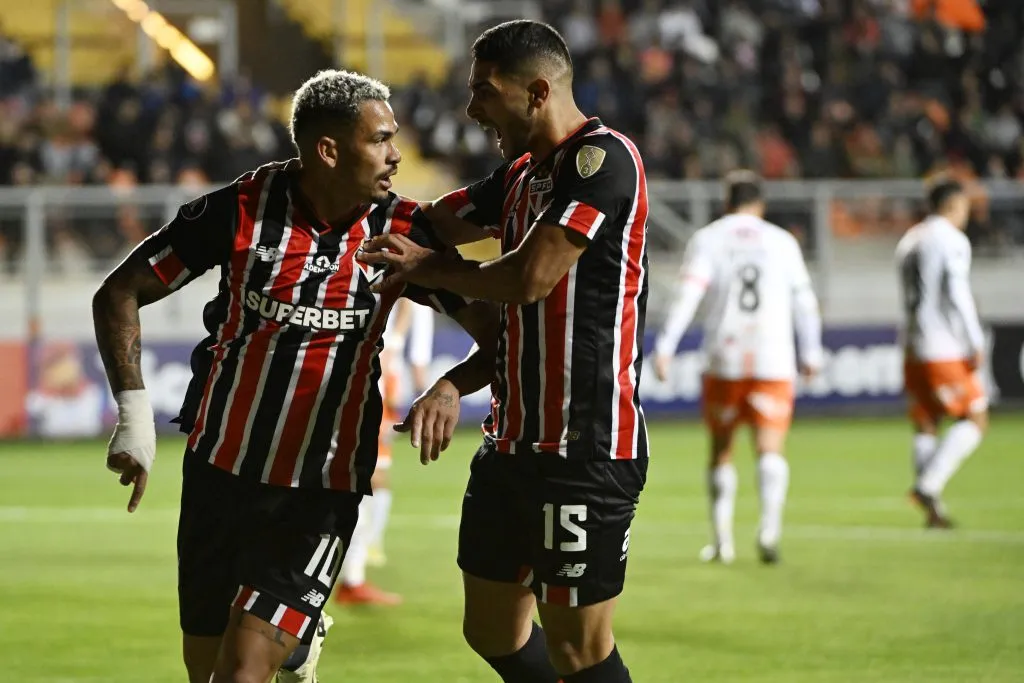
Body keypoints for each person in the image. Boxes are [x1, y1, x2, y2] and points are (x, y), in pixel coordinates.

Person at [92, 69, 496, 683]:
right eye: (380, 139)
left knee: (241, 670)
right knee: (206, 668)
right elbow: (120, 291)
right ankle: (297, 649)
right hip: (219, 472)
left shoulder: (403, 235)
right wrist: (135, 416)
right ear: (328, 150)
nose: (395, 154)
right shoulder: (238, 212)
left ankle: (288, 638)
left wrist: (450, 385)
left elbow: (500, 336)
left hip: (322, 483)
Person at [359, 19, 648, 683]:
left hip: (582, 450)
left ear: (538, 91)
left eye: (484, 91)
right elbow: (429, 224)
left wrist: (429, 267)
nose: (471, 109)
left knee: (579, 648)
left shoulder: (601, 162)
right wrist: (355, 185)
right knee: (490, 626)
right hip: (510, 445)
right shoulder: (520, 176)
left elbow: (528, 278)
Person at [651, 170, 823, 565]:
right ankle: (769, 530)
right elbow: (805, 303)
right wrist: (811, 352)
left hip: (724, 356)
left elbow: (687, 295)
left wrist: (665, 346)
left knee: (721, 449)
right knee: (769, 448)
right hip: (773, 356)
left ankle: (722, 542)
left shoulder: (709, 238)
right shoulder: (782, 242)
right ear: (760, 204)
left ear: (726, 202)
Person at [896, 177, 988, 528]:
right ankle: (927, 486)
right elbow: (957, 291)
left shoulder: (909, 239)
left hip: (912, 345)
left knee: (926, 424)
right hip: (944, 346)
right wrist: (974, 340)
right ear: (952, 205)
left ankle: (933, 514)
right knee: (976, 420)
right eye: (964, 207)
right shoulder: (950, 239)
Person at [333, 328, 403, 605]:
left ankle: (352, 578)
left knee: (365, 492)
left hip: (369, 400)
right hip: (359, 408)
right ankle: (351, 579)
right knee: (362, 491)